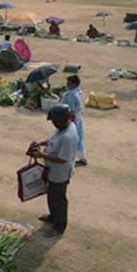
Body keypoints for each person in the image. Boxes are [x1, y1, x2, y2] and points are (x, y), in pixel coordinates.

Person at [27, 104, 78, 237]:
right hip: (52, 170)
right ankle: (53, 216)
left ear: (63, 119)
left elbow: (62, 159)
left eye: (55, 121)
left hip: (60, 173)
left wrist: (41, 155)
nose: (54, 124)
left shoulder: (68, 136)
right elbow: (53, 140)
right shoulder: (63, 127)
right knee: (51, 195)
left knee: (59, 199)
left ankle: (60, 225)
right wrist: (41, 144)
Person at [62, 75, 86, 166]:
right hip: (78, 118)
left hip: (72, 119)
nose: (67, 84)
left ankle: (71, 157)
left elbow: (70, 109)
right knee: (79, 137)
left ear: (74, 84)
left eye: (69, 83)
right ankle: (82, 156)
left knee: (72, 138)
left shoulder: (71, 95)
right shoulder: (78, 92)